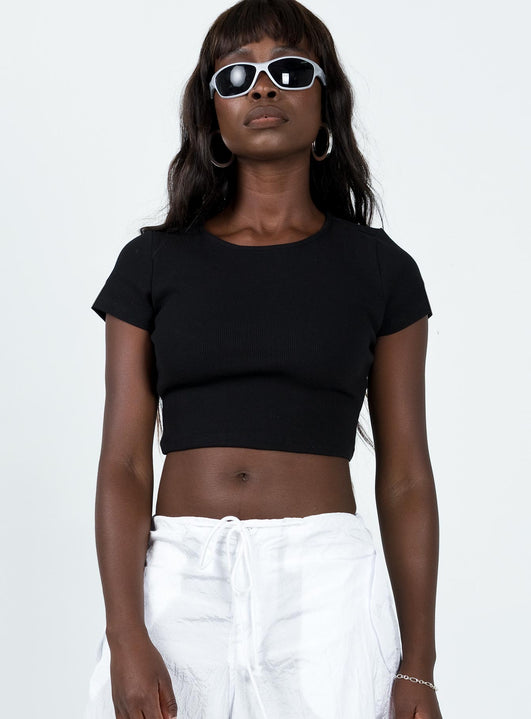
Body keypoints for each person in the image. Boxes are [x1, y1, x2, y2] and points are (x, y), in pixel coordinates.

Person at [83, 1, 442, 718]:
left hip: (326, 586)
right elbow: (122, 463)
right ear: (211, 112)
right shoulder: (151, 264)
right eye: (237, 75)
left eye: (289, 69)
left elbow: (405, 476)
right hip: (178, 581)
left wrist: (419, 666)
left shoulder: (381, 270)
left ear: (326, 101)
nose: (264, 87)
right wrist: (126, 634)